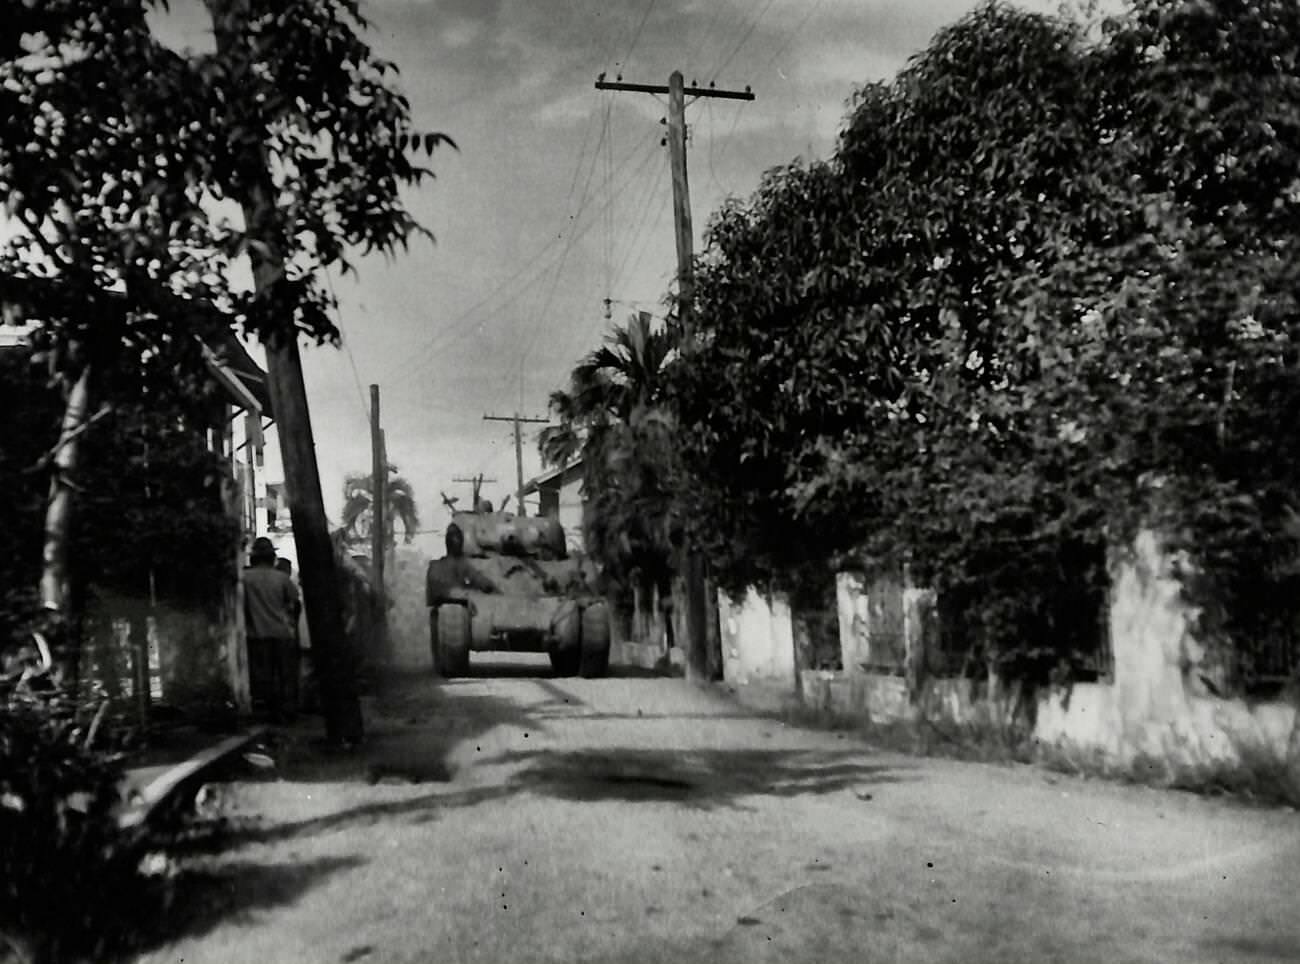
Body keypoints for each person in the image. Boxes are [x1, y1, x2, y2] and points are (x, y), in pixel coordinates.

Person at [243, 537, 301, 722]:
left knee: (263, 676)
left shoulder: (244, 578)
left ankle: (269, 712)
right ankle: (287, 712)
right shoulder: (282, 578)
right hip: (282, 633)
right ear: (272, 557)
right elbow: (294, 603)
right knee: (285, 675)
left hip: (257, 635)